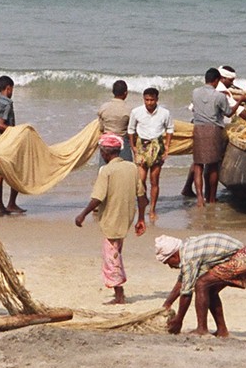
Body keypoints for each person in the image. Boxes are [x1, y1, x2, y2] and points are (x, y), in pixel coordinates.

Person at [73, 135, 147, 305]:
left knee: (111, 257)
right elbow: (142, 196)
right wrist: (141, 219)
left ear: (105, 153)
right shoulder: (132, 168)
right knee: (116, 252)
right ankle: (119, 293)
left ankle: (119, 295)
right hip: (126, 217)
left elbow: (97, 197)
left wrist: (83, 214)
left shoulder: (106, 171)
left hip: (111, 219)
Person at [155, 233, 246, 338]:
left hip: (242, 259)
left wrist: (179, 320)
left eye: (168, 262)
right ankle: (222, 331)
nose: (170, 266)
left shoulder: (189, 257)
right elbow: (182, 281)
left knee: (201, 284)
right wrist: (167, 304)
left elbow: (186, 292)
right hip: (244, 255)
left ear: (174, 255)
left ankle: (201, 329)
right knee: (209, 290)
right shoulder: (187, 250)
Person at [129, 87, 176, 221]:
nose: (149, 103)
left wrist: (167, 146)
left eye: (152, 100)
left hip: (157, 147)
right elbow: (131, 129)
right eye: (147, 100)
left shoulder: (164, 113)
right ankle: (143, 202)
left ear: (157, 99)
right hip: (142, 147)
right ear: (143, 99)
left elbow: (170, 128)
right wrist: (133, 146)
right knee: (141, 181)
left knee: (154, 180)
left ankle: (152, 210)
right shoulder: (136, 112)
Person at [189, 68, 234, 207]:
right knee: (213, 165)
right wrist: (241, 100)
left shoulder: (195, 92)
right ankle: (212, 198)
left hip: (198, 129)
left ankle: (200, 198)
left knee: (198, 164)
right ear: (216, 80)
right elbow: (228, 113)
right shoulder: (220, 97)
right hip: (213, 130)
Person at [0, 75, 23, 216]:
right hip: (8, 141)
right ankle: (11, 203)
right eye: (12, 89)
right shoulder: (7, 103)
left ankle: (0, 206)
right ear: (8, 88)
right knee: (15, 172)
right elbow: (1, 124)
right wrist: (16, 131)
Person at [97, 80, 133, 163]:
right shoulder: (129, 110)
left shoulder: (104, 107)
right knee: (125, 171)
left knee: (104, 171)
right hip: (122, 144)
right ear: (126, 93)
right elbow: (131, 130)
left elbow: (101, 128)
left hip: (106, 144)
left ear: (113, 92)